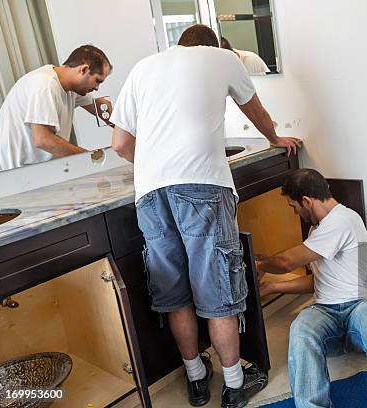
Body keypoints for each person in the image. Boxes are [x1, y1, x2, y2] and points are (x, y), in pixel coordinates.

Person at [110, 24, 300, 408]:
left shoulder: (144, 67)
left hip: (149, 193)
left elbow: (120, 144)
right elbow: (255, 110)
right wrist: (274, 139)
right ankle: (234, 384)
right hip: (202, 187)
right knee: (217, 290)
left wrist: (156, 165)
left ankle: (197, 379)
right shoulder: (223, 58)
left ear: (179, 45)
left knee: (174, 291)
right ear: (211, 45)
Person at [256, 169, 367, 408]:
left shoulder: (343, 221)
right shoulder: (317, 230)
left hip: (361, 307)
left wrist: (259, 264)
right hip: (326, 314)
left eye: (293, 206)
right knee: (301, 328)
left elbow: (286, 262)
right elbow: (320, 280)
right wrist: (273, 286)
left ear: (306, 201)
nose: (295, 212)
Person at [0, 45, 112, 172]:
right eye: (97, 81)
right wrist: (88, 158)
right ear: (84, 69)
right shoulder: (45, 85)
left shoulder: (70, 87)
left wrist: (125, 130)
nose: (97, 88)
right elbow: (43, 140)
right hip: (11, 175)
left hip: (30, 173)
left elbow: (100, 107)